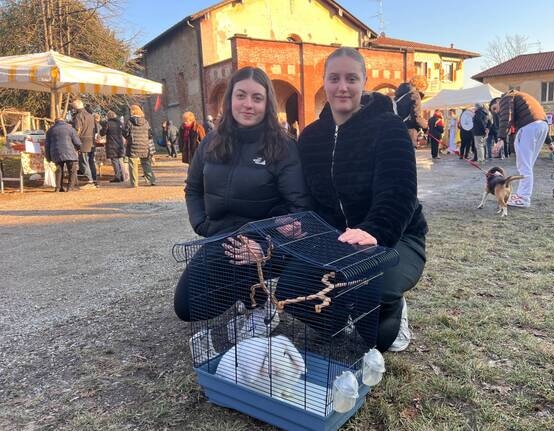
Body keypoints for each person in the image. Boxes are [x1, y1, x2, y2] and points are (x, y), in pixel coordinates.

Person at [297, 47, 428, 353]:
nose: (343, 86)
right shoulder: (311, 136)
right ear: (325, 83)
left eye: (351, 78)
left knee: (379, 337)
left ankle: (394, 305)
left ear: (364, 82)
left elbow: (400, 193)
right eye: (335, 78)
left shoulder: (388, 127)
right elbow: (309, 200)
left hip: (394, 237)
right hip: (339, 240)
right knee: (296, 290)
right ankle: (345, 310)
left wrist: (375, 231)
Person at [174, 66, 310, 322]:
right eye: (241, 96)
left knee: (244, 262)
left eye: (257, 98)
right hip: (221, 239)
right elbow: (192, 188)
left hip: (265, 244)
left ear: (267, 103)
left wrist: (265, 245)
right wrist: (202, 224)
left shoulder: (283, 146)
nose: (248, 104)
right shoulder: (210, 142)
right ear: (230, 99)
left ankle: (258, 303)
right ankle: (247, 294)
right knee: (187, 307)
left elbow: (299, 210)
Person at [491, 90, 554, 208]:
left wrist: (500, 139)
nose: (497, 112)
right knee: (527, 165)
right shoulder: (522, 97)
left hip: (528, 128)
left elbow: (506, 117)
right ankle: (521, 195)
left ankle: (524, 198)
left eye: (495, 108)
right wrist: (549, 142)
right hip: (542, 126)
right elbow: (537, 116)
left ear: (498, 101)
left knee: (524, 165)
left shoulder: (506, 98)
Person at [44, 117, 82, 192]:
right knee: (72, 170)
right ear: (64, 121)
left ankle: (58, 188)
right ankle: (70, 187)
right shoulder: (70, 128)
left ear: (55, 122)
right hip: (70, 152)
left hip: (56, 153)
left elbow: (47, 145)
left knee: (58, 170)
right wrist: (78, 148)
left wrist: (48, 157)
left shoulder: (50, 130)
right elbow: (77, 142)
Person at [122, 104, 156, 187]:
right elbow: (150, 134)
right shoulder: (145, 121)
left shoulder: (130, 121)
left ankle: (134, 183)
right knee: (146, 163)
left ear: (132, 111)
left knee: (133, 164)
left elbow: (126, 133)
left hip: (133, 146)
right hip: (144, 145)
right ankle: (151, 180)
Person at [394, 80, 428, 147]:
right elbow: (416, 116)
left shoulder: (398, 96)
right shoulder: (415, 95)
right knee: (409, 153)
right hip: (409, 130)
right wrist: (425, 126)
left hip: (398, 128)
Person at [72, 99, 97, 189]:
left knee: (83, 162)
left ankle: (90, 181)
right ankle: (94, 180)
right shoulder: (91, 116)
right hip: (92, 141)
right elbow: (96, 129)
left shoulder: (79, 116)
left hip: (83, 142)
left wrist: (75, 142)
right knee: (91, 162)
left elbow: (77, 130)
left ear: (75, 107)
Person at [100, 110, 125, 182]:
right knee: (119, 160)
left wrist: (103, 127)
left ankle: (117, 177)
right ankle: (121, 176)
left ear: (108, 116)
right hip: (119, 143)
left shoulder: (107, 123)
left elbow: (102, 133)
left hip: (111, 143)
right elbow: (125, 132)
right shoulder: (120, 123)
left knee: (114, 160)